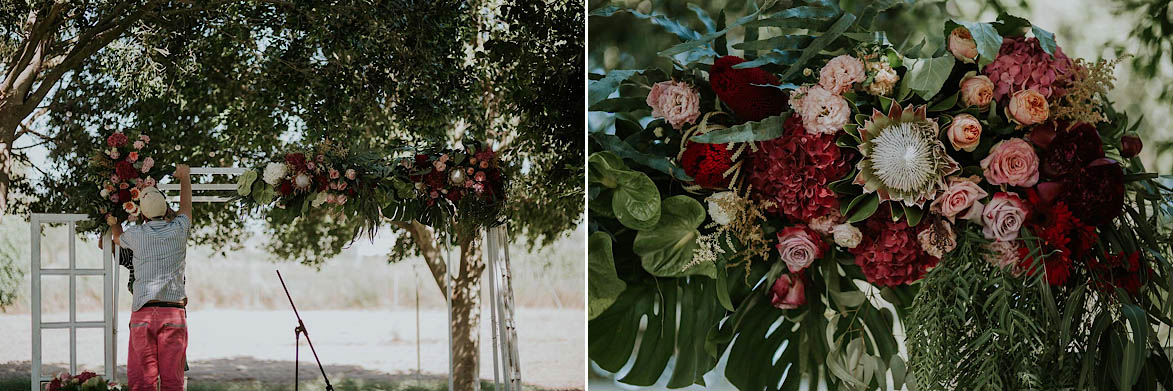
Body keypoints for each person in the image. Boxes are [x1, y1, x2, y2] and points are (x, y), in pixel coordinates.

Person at [106, 164, 192, 391]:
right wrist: (185, 177)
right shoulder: (180, 229)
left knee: (142, 382)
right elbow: (186, 207)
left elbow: (117, 238)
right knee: (173, 382)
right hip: (173, 312)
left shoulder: (136, 235)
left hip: (144, 312)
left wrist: (114, 223)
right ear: (166, 210)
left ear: (142, 214)